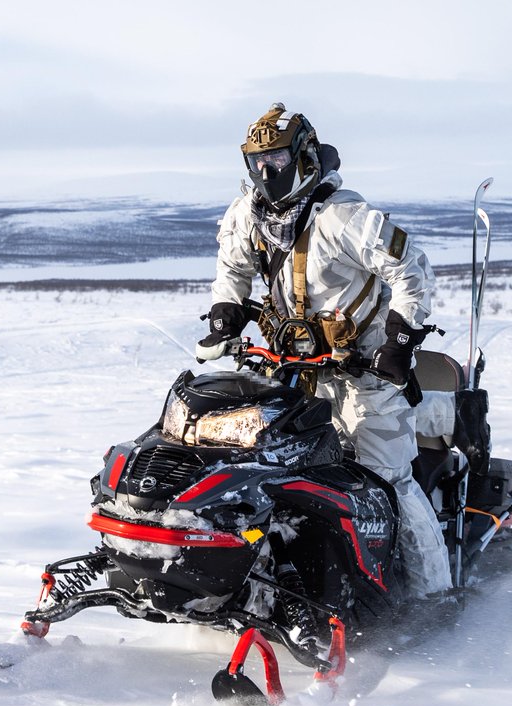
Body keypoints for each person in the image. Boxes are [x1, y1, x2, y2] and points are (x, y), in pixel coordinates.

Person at [195, 103, 488, 600]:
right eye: (257, 163)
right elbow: (232, 265)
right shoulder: (249, 213)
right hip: (293, 365)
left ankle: (432, 597)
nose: (267, 173)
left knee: (385, 478)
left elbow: (413, 267)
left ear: (304, 157)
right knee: (271, 466)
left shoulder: (343, 216)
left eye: (279, 161)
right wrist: (227, 307)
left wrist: (398, 341)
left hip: (367, 367)